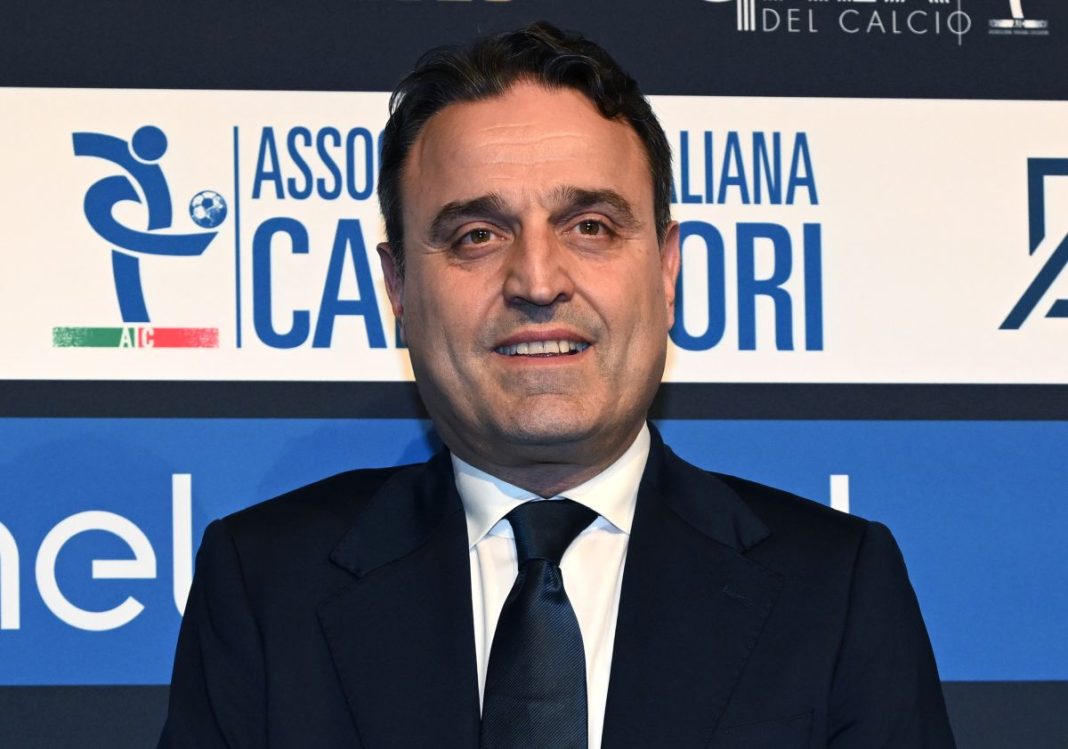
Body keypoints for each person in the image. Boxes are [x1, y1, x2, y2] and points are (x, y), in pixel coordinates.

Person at [159, 22, 955, 748]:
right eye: (477, 234)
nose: (538, 280)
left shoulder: (837, 589)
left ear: (667, 269)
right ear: (397, 287)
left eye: (591, 227)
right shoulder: (264, 587)